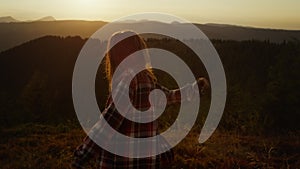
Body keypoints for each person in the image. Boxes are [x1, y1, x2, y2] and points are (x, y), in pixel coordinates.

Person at [72, 30, 209, 169]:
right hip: (147, 159)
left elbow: (109, 122)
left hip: (122, 161)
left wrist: (83, 155)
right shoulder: (145, 78)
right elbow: (167, 96)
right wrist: (193, 89)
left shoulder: (128, 79)